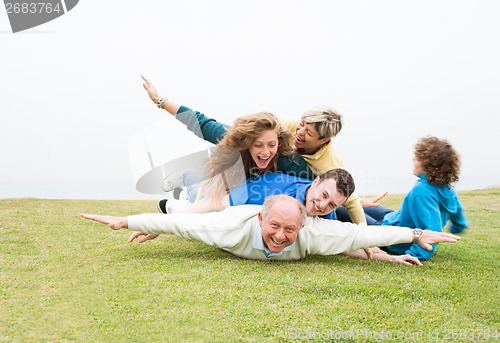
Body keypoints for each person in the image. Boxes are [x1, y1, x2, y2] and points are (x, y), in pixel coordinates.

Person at [140, 76, 369, 223]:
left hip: (251, 188)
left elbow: (324, 188)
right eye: (258, 145)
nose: (265, 152)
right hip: (227, 178)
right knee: (201, 198)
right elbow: (200, 122)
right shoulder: (240, 139)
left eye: (271, 145)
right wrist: (161, 101)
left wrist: (357, 208)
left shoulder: (292, 163)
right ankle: (188, 177)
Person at [81, 195, 461, 263]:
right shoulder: (228, 229)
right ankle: (177, 193)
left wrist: (414, 235)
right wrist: (124, 221)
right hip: (227, 215)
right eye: (275, 227)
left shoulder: (313, 233)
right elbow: (184, 225)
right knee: (182, 213)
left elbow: (361, 236)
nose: (281, 236)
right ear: (262, 221)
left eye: (290, 230)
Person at [350, 136, 469, 260]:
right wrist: (458, 225)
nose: (413, 159)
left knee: (343, 209)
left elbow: (433, 229)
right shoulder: (446, 187)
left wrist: (415, 255)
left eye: (417, 158)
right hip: (393, 218)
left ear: (429, 165)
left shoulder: (422, 191)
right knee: (357, 205)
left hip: (392, 236)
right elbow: (457, 210)